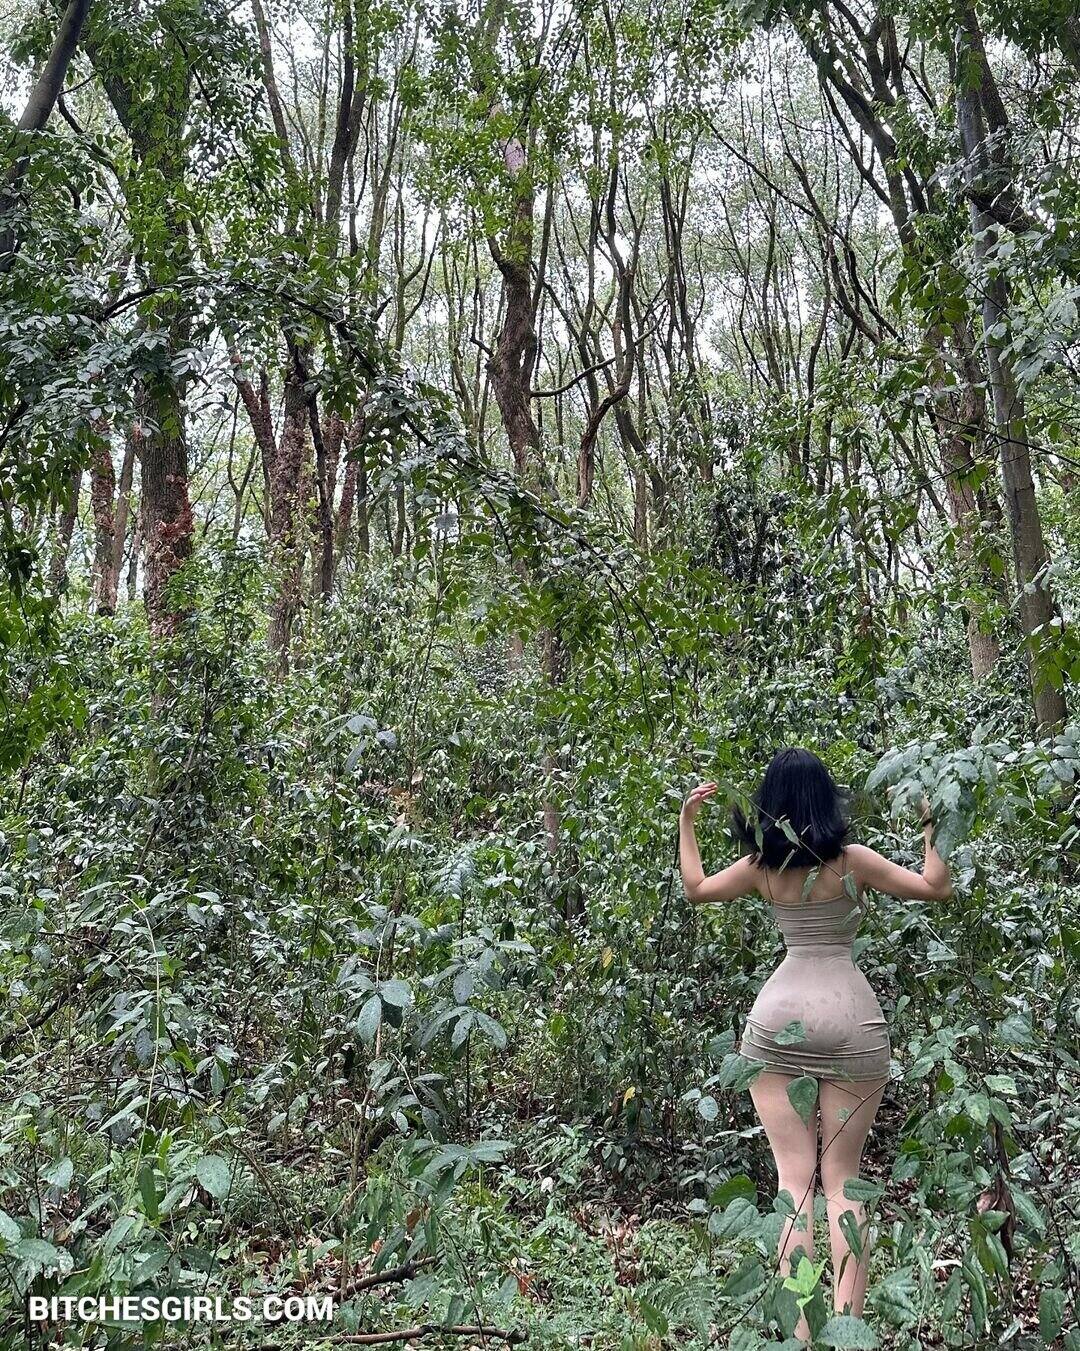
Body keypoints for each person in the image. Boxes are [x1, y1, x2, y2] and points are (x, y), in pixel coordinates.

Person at [678, 747, 953, 1340]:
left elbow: (695, 888)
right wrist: (932, 819)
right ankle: (847, 1331)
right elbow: (935, 886)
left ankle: (801, 1334)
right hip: (852, 1021)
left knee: (794, 1183)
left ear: (769, 805)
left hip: (778, 1022)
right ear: (827, 799)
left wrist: (687, 822)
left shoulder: (762, 868)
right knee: (843, 1181)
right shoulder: (853, 861)